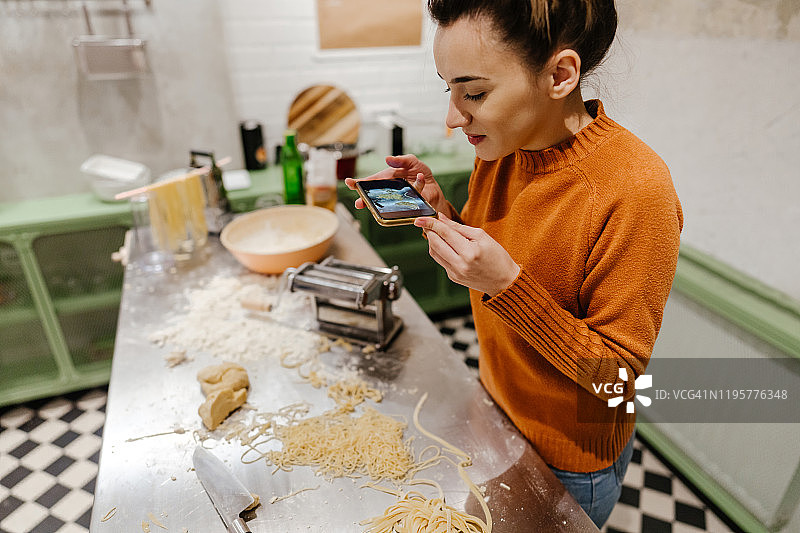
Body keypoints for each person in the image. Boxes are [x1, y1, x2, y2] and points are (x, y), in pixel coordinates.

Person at [346, 0, 682, 527]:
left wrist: (507, 285)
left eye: (475, 93)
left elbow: (618, 376)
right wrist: (443, 213)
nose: (453, 118)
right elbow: (502, 253)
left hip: (567, 461)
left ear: (560, 75)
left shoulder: (635, 191)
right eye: (449, 89)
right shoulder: (503, 151)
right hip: (495, 410)